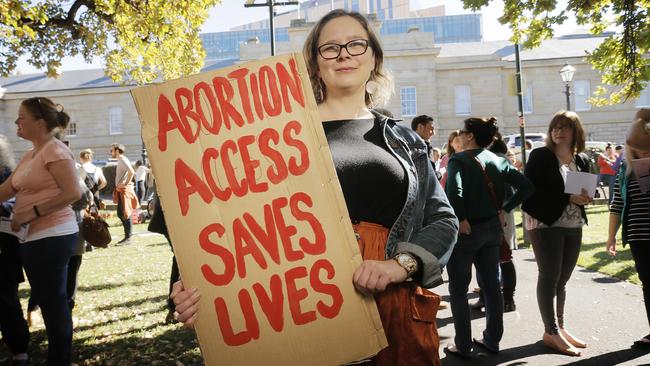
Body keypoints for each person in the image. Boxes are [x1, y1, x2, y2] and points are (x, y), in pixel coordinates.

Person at [171, 9, 459, 365]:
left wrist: (400, 265)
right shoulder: (271, 136)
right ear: (315, 63)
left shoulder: (405, 141)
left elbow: (443, 220)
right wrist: (195, 286)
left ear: (374, 58)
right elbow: (233, 221)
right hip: (302, 315)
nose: (343, 55)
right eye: (330, 48)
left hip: (393, 317)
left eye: (356, 44)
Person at [0, 97, 82, 365]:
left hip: (53, 237)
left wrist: (30, 213)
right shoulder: (31, 154)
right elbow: (6, 190)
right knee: (50, 304)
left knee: (54, 308)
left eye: (22, 117)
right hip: (33, 239)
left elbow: (72, 192)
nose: (16, 122)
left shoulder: (55, 150)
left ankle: (59, 360)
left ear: (40, 122)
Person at [444, 117, 533, 358]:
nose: (460, 135)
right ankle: (492, 340)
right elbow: (526, 186)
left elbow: (454, 190)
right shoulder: (497, 159)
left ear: (470, 135)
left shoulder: (459, 159)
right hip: (493, 228)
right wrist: (506, 208)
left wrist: (460, 217)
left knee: (459, 290)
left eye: (462, 132)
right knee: (492, 286)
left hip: (467, 231)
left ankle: (463, 345)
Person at [521, 110, 592, 357]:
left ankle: (560, 327)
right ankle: (550, 331)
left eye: (565, 127)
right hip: (546, 225)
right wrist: (568, 196)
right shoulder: (541, 156)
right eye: (555, 127)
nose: (558, 131)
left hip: (573, 225)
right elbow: (530, 192)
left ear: (576, 132)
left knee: (563, 279)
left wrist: (584, 198)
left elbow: (583, 192)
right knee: (549, 276)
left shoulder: (580, 159)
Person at [607, 108, 650, 350]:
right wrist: (611, 236)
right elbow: (618, 203)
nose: (644, 149)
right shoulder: (626, 168)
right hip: (638, 235)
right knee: (647, 283)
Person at [0, 134, 30, 366]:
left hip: (4, 246)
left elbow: (17, 203)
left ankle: (19, 347)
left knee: (7, 299)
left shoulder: (7, 174)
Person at [146, 193, 179, 324]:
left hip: (174, 215)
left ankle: (173, 308)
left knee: (180, 261)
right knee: (180, 262)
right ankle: (173, 308)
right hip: (173, 216)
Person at [110, 143, 137, 245]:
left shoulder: (123, 159)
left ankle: (128, 238)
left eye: (111, 150)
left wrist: (125, 184)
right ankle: (127, 237)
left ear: (117, 151)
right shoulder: (121, 160)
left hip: (124, 190)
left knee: (125, 213)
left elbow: (131, 172)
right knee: (121, 213)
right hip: (121, 190)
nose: (111, 152)